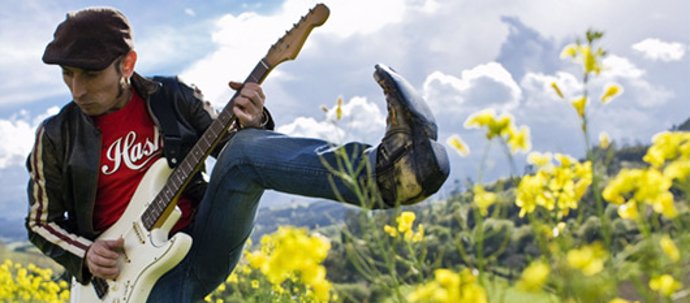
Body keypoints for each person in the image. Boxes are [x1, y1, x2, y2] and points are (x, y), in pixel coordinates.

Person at [25, 6, 449, 302]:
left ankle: (388, 173)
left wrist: (255, 121)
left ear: (128, 63)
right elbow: (40, 221)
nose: (78, 89)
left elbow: (233, 157)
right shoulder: (56, 135)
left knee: (245, 150)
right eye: (68, 75)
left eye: (91, 74)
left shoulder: (172, 97)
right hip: (127, 287)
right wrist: (86, 254)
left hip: (199, 244)